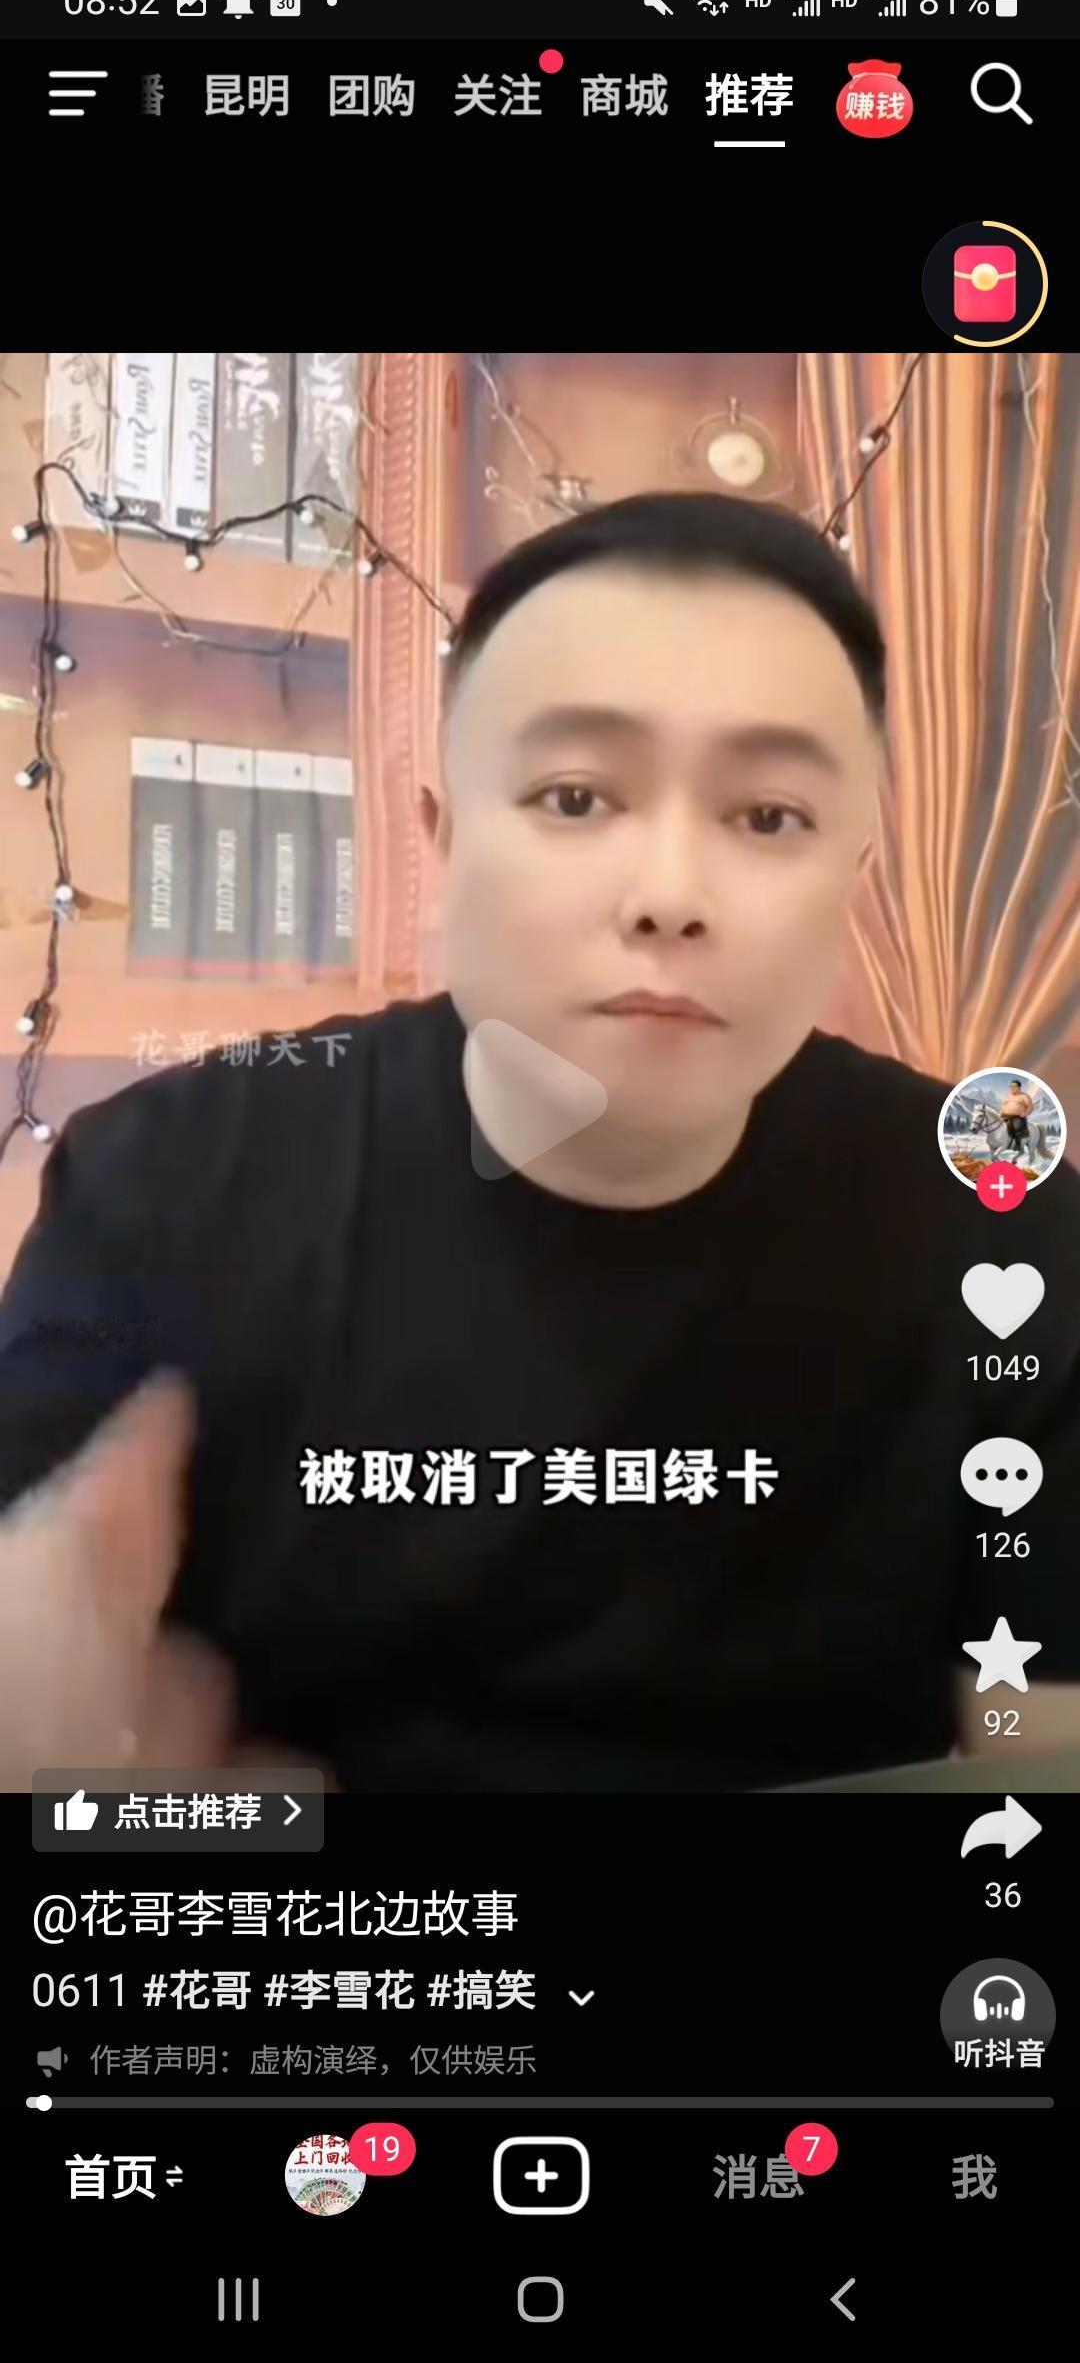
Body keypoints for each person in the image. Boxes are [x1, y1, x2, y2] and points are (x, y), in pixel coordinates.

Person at [1, 489, 1078, 1793]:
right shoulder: (167, 1181)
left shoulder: (1001, 1223)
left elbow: (1034, 1755)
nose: (670, 897)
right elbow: (45, 1702)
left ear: (854, 879)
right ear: (442, 840)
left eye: (768, 818)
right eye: (575, 797)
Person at [1000, 1077, 1034, 1154]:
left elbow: (1030, 1107)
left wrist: (1025, 1113)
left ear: (1019, 1087)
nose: (1012, 1088)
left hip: (1018, 1117)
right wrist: (1001, 1112)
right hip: (1006, 1116)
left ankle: (1018, 1145)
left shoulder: (1024, 1096)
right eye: (1011, 1086)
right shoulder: (1008, 1096)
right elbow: (1003, 1105)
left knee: (1017, 1127)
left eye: (1014, 1086)